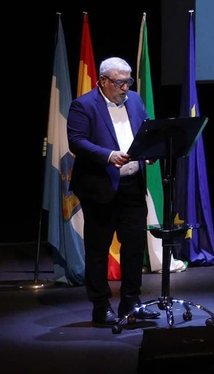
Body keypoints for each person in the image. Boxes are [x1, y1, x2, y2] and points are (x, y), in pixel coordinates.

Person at [67, 57, 155, 326]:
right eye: (119, 82)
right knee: (98, 251)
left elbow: (147, 129)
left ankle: (130, 303)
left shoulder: (136, 100)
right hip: (100, 189)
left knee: (133, 249)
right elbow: (77, 142)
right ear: (103, 81)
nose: (125, 87)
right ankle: (101, 306)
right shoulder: (83, 105)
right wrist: (108, 156)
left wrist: (151, 151)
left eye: (128, 81)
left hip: (132, 188)